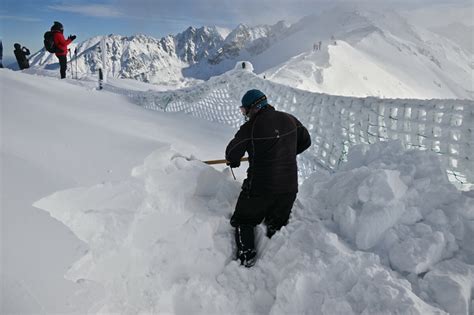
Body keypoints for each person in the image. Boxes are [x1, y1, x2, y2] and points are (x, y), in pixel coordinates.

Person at [225, 89, 311, 267]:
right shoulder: (290, 119)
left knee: (243, 220)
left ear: (253, 108)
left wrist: (234, 161)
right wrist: (284, 152)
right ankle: (276, 259)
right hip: (289, 190)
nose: (245, 114)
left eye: (244, 110)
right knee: (276, 225)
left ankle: (246, 257)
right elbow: (306, 141)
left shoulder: (251, 127)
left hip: (260, 189)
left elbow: (232, 153)